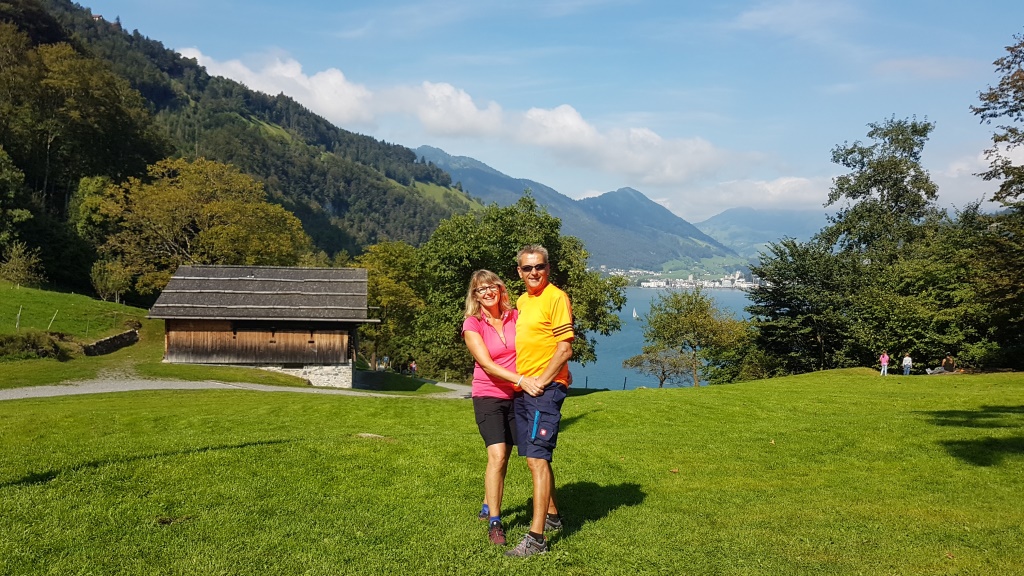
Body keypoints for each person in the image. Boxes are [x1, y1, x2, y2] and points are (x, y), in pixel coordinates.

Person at [506, 244, 574, 558]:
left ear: (548, 267)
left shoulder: (556, 297)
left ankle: (537, 539)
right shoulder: (523, 300)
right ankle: (553, 516)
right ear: (519, 272)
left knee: (536, 459)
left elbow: (564, 349)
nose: (534, 272)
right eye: (527, 268)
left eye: (539, 266)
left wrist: (541, 381)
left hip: (544, 389)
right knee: (537, 457)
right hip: (526, 387)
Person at [461, 270, 521, 546]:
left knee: (505, 456)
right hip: (488, 395)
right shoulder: (472, 324)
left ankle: (488, 503)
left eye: (491, 286)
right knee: (497, 455)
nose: (487, 292)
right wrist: (521, 379)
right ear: (474, 296)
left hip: (517, 396)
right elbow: (486, 364)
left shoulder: (515, 316)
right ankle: (495, 522)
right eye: (480, 289)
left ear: (500, 288)